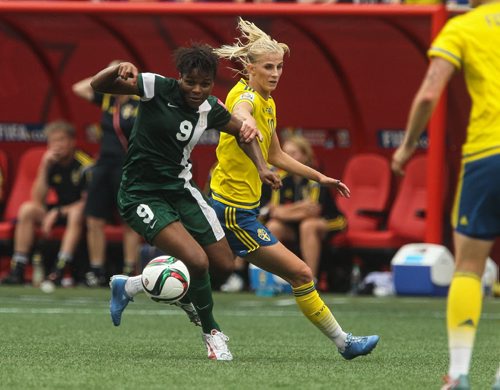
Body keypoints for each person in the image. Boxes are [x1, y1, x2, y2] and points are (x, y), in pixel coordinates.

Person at [91, 44, 281, 361]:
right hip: (141, 193)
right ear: (179, 77)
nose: (196, 89)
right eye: (190, 82)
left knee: (225, 265)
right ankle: (212, 334)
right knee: (197, 260)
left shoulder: (211, 108)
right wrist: (117, 68)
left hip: (182, 189)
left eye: (204, 84)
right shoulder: (155, 86)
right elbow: (99, 85)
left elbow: (242, 133)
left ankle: (132, 286)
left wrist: (262, 167)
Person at [210, 18, 379, 359]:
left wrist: (320, 178)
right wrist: (248, 124)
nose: (275, 73)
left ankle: (132, 283)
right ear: (250, 68)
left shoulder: (269, 102)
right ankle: (344, 343)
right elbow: (242, 115)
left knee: (203, 266)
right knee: (301, 273)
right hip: (232, 210)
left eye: (279, 67)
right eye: (268, 67)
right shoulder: (245, 97)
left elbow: (277, 154)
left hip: (242, 207)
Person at [391, 0, 500, 387]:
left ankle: (459, 373)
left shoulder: (463, 28)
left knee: (468, 267)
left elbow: (427, 94)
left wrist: (406, 147)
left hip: (488, 155)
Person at [73, 62, 142, 287]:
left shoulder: (138, 101)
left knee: (128, 219)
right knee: (94, 218)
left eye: (120, 76)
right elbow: (79, 88)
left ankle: (129, 269)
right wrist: (109, 71)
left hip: (127, 165)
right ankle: (97, 270)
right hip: (104, 164)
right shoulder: (107, 100)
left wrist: (133, 78)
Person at [1, 120, 92, 285]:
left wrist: (57, 212)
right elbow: (38, 199)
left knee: (76, 213)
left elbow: (88, 202)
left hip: (81, 215)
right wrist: (44, 166)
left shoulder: (84, 164)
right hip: (58, 210)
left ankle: (60, 268)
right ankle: (18, 267)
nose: (56, 146)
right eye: (52, 142)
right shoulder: (52, 163)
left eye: (60, 140)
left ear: (72, 142)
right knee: (27, 209)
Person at [265, 135, 347, 284]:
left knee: (308, 225)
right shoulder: (281, 178)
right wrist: (300, 206)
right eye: (286, 153)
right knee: (273, 226)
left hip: (330, 221)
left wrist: (287, 211)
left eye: (294, 153)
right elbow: (275, 211)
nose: (288, 157)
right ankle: (274, 280)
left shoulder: (314, 177)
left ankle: (310, 280)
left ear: (305, 155)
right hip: (295, 225)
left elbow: (312, 212)